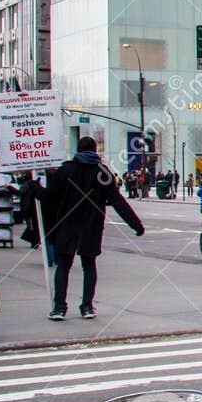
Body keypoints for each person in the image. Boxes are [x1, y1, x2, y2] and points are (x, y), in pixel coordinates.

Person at [43, 137, 146, 320]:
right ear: (95, 150)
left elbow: (49, 196)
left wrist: (33, 188)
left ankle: (59, 307)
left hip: (67, 224)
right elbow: (117, 200)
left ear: (78, 150)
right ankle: (87, 307)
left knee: (63, 266)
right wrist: (135, 224)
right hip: (91, 226)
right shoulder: (102, 172)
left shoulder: (65, 170)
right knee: (89, 265)